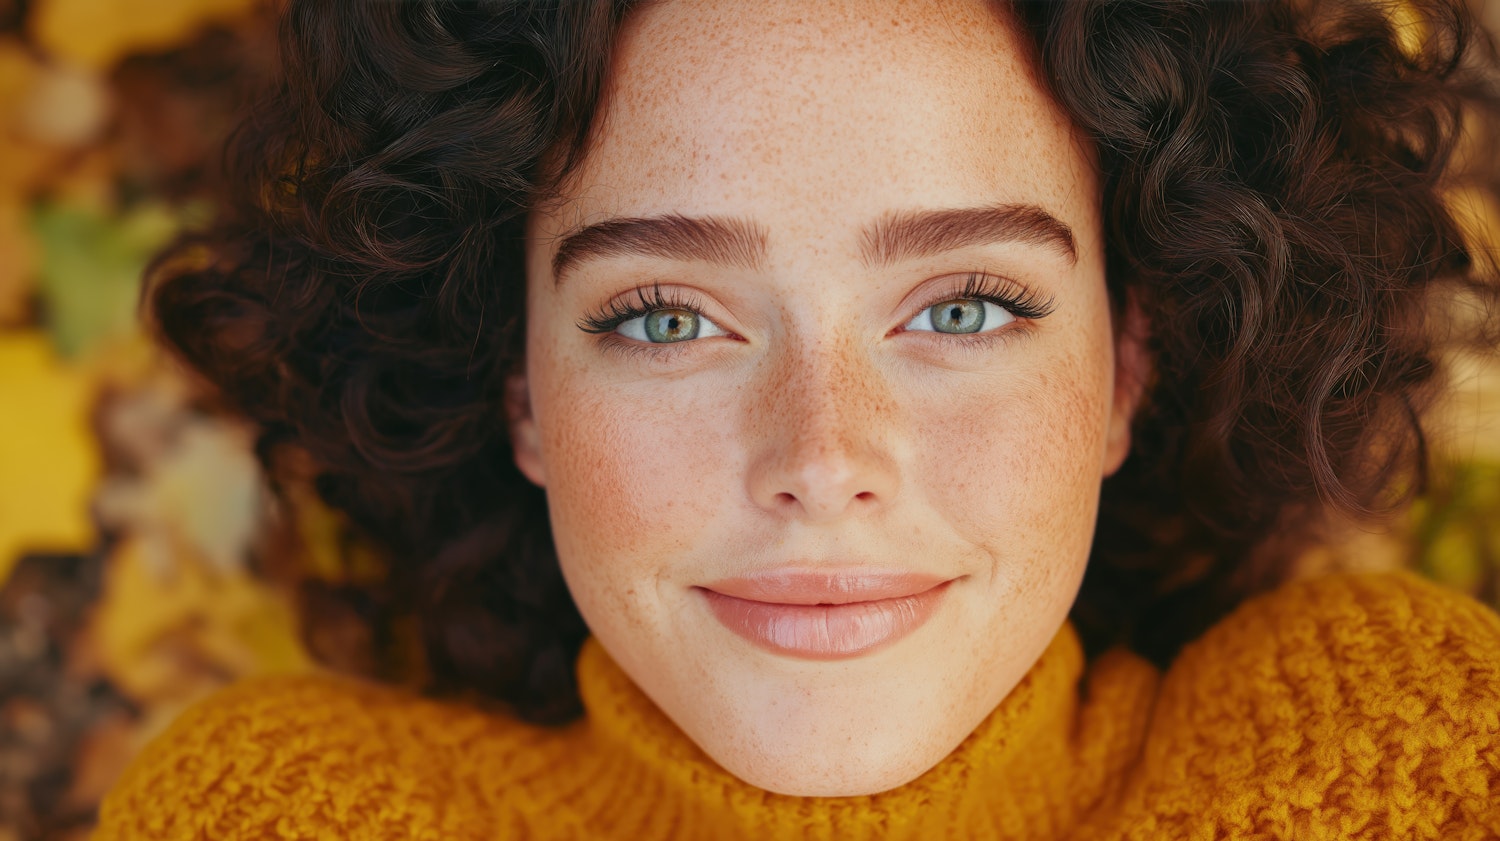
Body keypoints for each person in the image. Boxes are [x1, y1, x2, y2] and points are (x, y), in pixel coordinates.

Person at [95, 0, 1500, 838]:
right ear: (519, 388)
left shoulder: (1397, 757)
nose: (824, 461)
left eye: (963, 307)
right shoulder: (281, 820)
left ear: (1130, 364)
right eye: (664, 316)